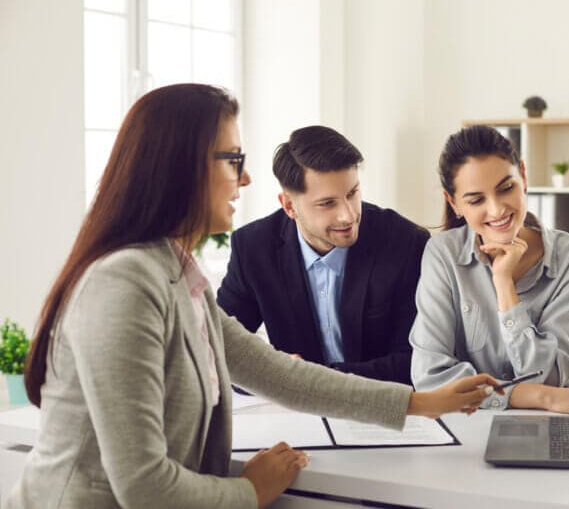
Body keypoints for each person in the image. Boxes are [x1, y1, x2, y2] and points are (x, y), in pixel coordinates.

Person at [7, 85, 500, 509]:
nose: (245, 178)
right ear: (182, 168)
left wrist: (419, 403)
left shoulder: (176, 272)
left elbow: (275, 373)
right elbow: (144, 487)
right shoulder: (123, 283)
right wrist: (249, 490)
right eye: (233, 160)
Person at [410, 125, 569, 414]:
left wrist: (503, 285)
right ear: (454, 203)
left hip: (551, 423)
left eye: (506, 188)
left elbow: (548, 376)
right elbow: (430, 380)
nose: (497, 210)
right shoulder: (443, 254)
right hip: (469, 425)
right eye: (476, 200)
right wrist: (537, 396)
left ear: (523, 176)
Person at [217, 125, 429, 384]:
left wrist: (307, 379)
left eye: (352, 194)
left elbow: (416, 361)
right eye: (328, 203)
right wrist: (273, 374)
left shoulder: (405, 242)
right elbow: (219, 352)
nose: (348, 215)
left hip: (385, 409)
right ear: (289, 206)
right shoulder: (253, 248)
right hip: (296, 413)